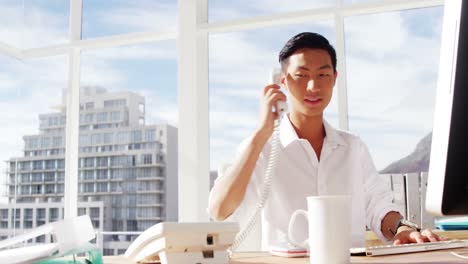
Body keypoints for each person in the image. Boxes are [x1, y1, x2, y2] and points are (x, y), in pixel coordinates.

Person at [207, 32, 444, 249]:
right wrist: (262, 132)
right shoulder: (262, 148)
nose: (313, 86)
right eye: (301, 76)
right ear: (283, 82)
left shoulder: (353, 147)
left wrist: (401, 229)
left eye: (323, 75)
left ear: (334, 78)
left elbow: (378, 206)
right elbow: (219, 210)